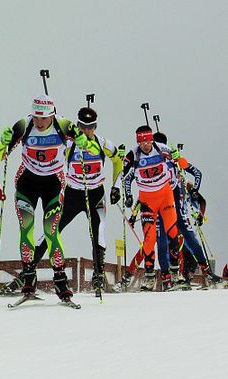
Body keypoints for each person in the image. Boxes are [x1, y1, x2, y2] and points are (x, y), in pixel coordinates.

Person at [0, 95, 101, 304]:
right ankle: (28, 277)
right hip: (27, 183)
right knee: (26, 228)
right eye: (36, 118)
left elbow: (94, 150)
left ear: (52, 115)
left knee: (51, 232)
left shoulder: (64, 125)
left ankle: (60, 280)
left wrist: (84, 142)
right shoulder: (24, 125)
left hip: (53, 183)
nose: (39, 123)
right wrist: (3, 142)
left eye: (43, 118)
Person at [28, 107, 123, 296]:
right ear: (77, 125)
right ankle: (29, 270)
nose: (86, 131)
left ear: (95, 127)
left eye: (90, 127)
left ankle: (98, 275)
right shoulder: (69, 145)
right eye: (82, 127)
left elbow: (119, 161)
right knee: (52, 230)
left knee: (98, 233)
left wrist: (116, 187)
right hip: (73, 194)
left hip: (96, 195)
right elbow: (48, 158)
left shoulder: (104, 144)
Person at [150, 133, 221, 289]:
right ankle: (167, 278)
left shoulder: (175, 160)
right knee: (162, 243)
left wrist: (195, 190)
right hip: (162, 209)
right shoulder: (149, 163)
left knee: (189, 241)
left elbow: (197, 174)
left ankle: (206, 272)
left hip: (177, 210)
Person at [121, 126, 182, 291]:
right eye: (142, 142)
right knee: (149, 239)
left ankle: (175, 273)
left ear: (152, 139)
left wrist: (177, 158)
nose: (145, 145)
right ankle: (149, 278)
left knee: (172, 231)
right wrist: (127, 196)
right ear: (137, 142)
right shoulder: (134, 154)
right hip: (147, 200)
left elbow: (178, 163)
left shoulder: (161, 149)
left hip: (165, 195)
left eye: (148, 141)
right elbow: (124, 177)